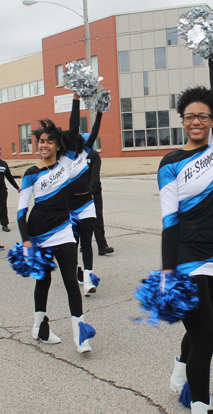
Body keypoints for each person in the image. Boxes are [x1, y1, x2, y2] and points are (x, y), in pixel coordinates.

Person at [158, 57, 213, 414]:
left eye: (203, 115)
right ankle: (201, 405)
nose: (197, 121)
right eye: (190, 116)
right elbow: (168, 220)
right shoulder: (170, 162)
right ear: (182, 121)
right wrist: (167, 272)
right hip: (185, 252)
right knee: (205, 336)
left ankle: (179, 368)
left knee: (205, 325)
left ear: (212, 119)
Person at [17, 93, 95, 353]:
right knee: (44, 281)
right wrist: (27, 240)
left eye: (49, 141)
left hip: (63, 232)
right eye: (41, 141)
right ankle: (39, 327)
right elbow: (20, 212)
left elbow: (74, 129)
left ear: (58, 146)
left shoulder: (66, 164)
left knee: (71, 283)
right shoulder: (31, 173)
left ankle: (80, 336)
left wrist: (75, 97)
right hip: (38, 234)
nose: (44, 145)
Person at [68, 97, 103, 297]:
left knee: (87, 242)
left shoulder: (84, 155)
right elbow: (73, 125)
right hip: (68, 207)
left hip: (86, 203)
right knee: (72, 243)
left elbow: (95, 132)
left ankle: (88, 277)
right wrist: (75, 100)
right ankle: (75, 272)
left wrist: (99, 112)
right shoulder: (63, 159)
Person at [87, 148, 114, 256]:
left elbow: (95, 175)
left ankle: (102, 246)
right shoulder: (72, 155)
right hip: (79, 192)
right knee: (82, 219)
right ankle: (85, 245)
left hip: (93, 192)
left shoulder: (93, 155)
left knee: (96, 218)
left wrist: (92, 191)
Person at [0, 146, 21, 232]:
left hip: (2, 190)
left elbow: (10, 177)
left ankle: (4, 224)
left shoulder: (4, 164)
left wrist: (17, 187)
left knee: (3, 207)